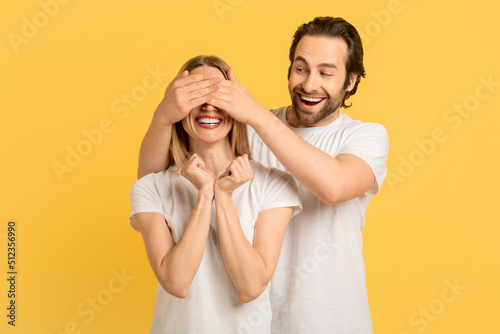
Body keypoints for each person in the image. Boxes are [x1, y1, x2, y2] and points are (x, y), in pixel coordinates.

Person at [137, 17, 389, 334]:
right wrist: (164, 116)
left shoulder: (364, 137)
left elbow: (333, 187)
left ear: (350, 81)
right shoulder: (248, 131)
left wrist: (255, 115)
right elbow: (153, 181)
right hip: (253, 317)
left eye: (326, 73)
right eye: (301, 69)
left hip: (329, 320)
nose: (310, 85)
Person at [130, 55, 301, 334]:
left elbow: (249, 287)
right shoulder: (150, 188)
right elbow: (176, 282)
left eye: (220, 95)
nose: (209, 104)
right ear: (178, 108)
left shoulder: (275, 185)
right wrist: (204, 195)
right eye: (196, 94)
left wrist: (223, 197)